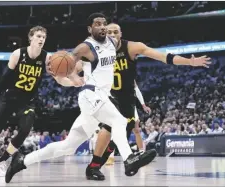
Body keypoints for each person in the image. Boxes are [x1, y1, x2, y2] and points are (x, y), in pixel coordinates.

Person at [5, 13, 157, 183]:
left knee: (68, 147)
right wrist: (74, 78)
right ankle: (129, 159)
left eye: (104, 24)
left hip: (100, 98)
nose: (102, 27)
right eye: (97, 24)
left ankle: (22, 161)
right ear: (89, 29)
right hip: (91, 95)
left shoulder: (111, 43)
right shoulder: (86, 46)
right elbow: (69, 60)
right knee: (119, 121)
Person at [85, 23, 212, 180]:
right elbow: (78, 63)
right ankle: (115, 162)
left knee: (120, 134)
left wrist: (189, 62)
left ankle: (97, 166)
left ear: (120, 34)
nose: (112, 34)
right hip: (107, 96)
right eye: (109, 32)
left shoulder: (132, 47)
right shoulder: (97, 50)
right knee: (110, 126)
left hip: (127, 98)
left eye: (115, 31)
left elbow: (163, 57)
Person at [0, 26, 82, 177]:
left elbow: (59, 79)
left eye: (43, 37)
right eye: (38, 36)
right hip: (9, 97)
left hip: (27, 101)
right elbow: (6, 77)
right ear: (31, 37)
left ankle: (1, 161)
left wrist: (74, 83)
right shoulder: (18, 54)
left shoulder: (46, 58)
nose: (41, 39)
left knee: (25, 130)